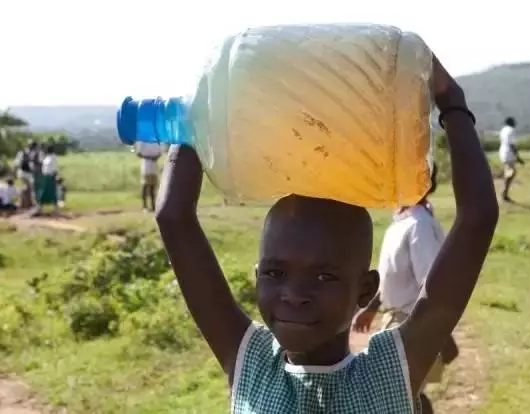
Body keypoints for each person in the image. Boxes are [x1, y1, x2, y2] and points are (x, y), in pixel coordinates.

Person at [155, 55, 498, 413]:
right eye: (275, 273)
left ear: (365, 290)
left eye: (324, 276)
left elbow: (478, 217)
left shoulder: (388, 375)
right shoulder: (251, 363)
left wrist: (452, 103)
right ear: (257, 276)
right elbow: (173, 219)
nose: (294, 295)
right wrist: (193, 117)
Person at [352, 162, 460, 412]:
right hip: (396, 320)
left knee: (405, 395)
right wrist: (372, 307)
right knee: (406, 395)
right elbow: (391, 275)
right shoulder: (401, 222)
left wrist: (438, 332)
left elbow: (432, 283)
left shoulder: (419, 226)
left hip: (411, 322)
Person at [498, 117, 524, 202]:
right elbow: (512, 145)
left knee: (509, 172)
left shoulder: (503, 130)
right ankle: (504, 192)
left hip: (503, 153)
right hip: (509, 154)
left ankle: (504, 192)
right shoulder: (511, 130)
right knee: (511, 173)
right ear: (511, 123)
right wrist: (518, 157)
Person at [13, 140, 41, 209]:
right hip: (24, 172)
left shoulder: (24, 152)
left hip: (24, 172)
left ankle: (26, 204)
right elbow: (29, 163)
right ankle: (22, 203)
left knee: (29, 188)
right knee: (27, 188)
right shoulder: (28, 153)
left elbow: (16, 163)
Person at [136, 142, 162, 212]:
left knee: (153, 187)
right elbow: (139, 153)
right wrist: (150, 157)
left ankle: (153, 206)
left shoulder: (156, 141)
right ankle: (145, 206)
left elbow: (159, 153)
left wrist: (155, 157)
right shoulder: (143, 141)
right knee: (145, 185)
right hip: (146, 166)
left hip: (154, 167)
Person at [34, 145, 59, 215]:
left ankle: (55, 209)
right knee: (42, 192)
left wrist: (54, 177)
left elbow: (54, 169)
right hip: (45, 177)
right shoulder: (46, 157)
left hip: (50, 177)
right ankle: (40, 208)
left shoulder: (53, 157)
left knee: (52, 193)